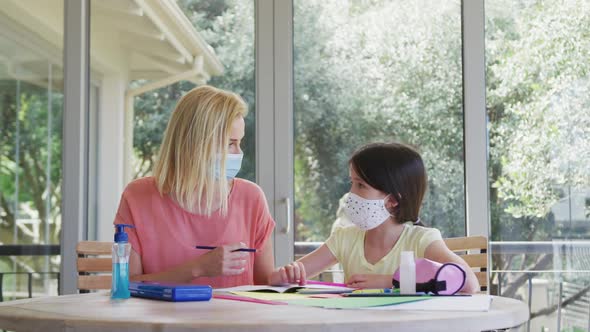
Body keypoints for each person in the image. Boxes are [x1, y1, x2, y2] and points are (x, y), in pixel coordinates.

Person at [114, 85, 275, 288]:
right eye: (230, 143)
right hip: (161, 320)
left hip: (234, 320)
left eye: (239, 142)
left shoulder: (251, 198)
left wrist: (283, 279)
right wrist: (198, 268)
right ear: (196, 143)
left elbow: (265, 285)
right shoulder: (137, 197)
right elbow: (126, 286)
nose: (238, 153)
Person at [271, 142, 480, 293]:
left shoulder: (421, 240)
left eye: (360, 185)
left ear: (392, 200)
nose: (351, 194)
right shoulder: (345, 238)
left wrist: (390, 281)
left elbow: (469, 282)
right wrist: (286, 276)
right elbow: (277, 279)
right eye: (351, 183)